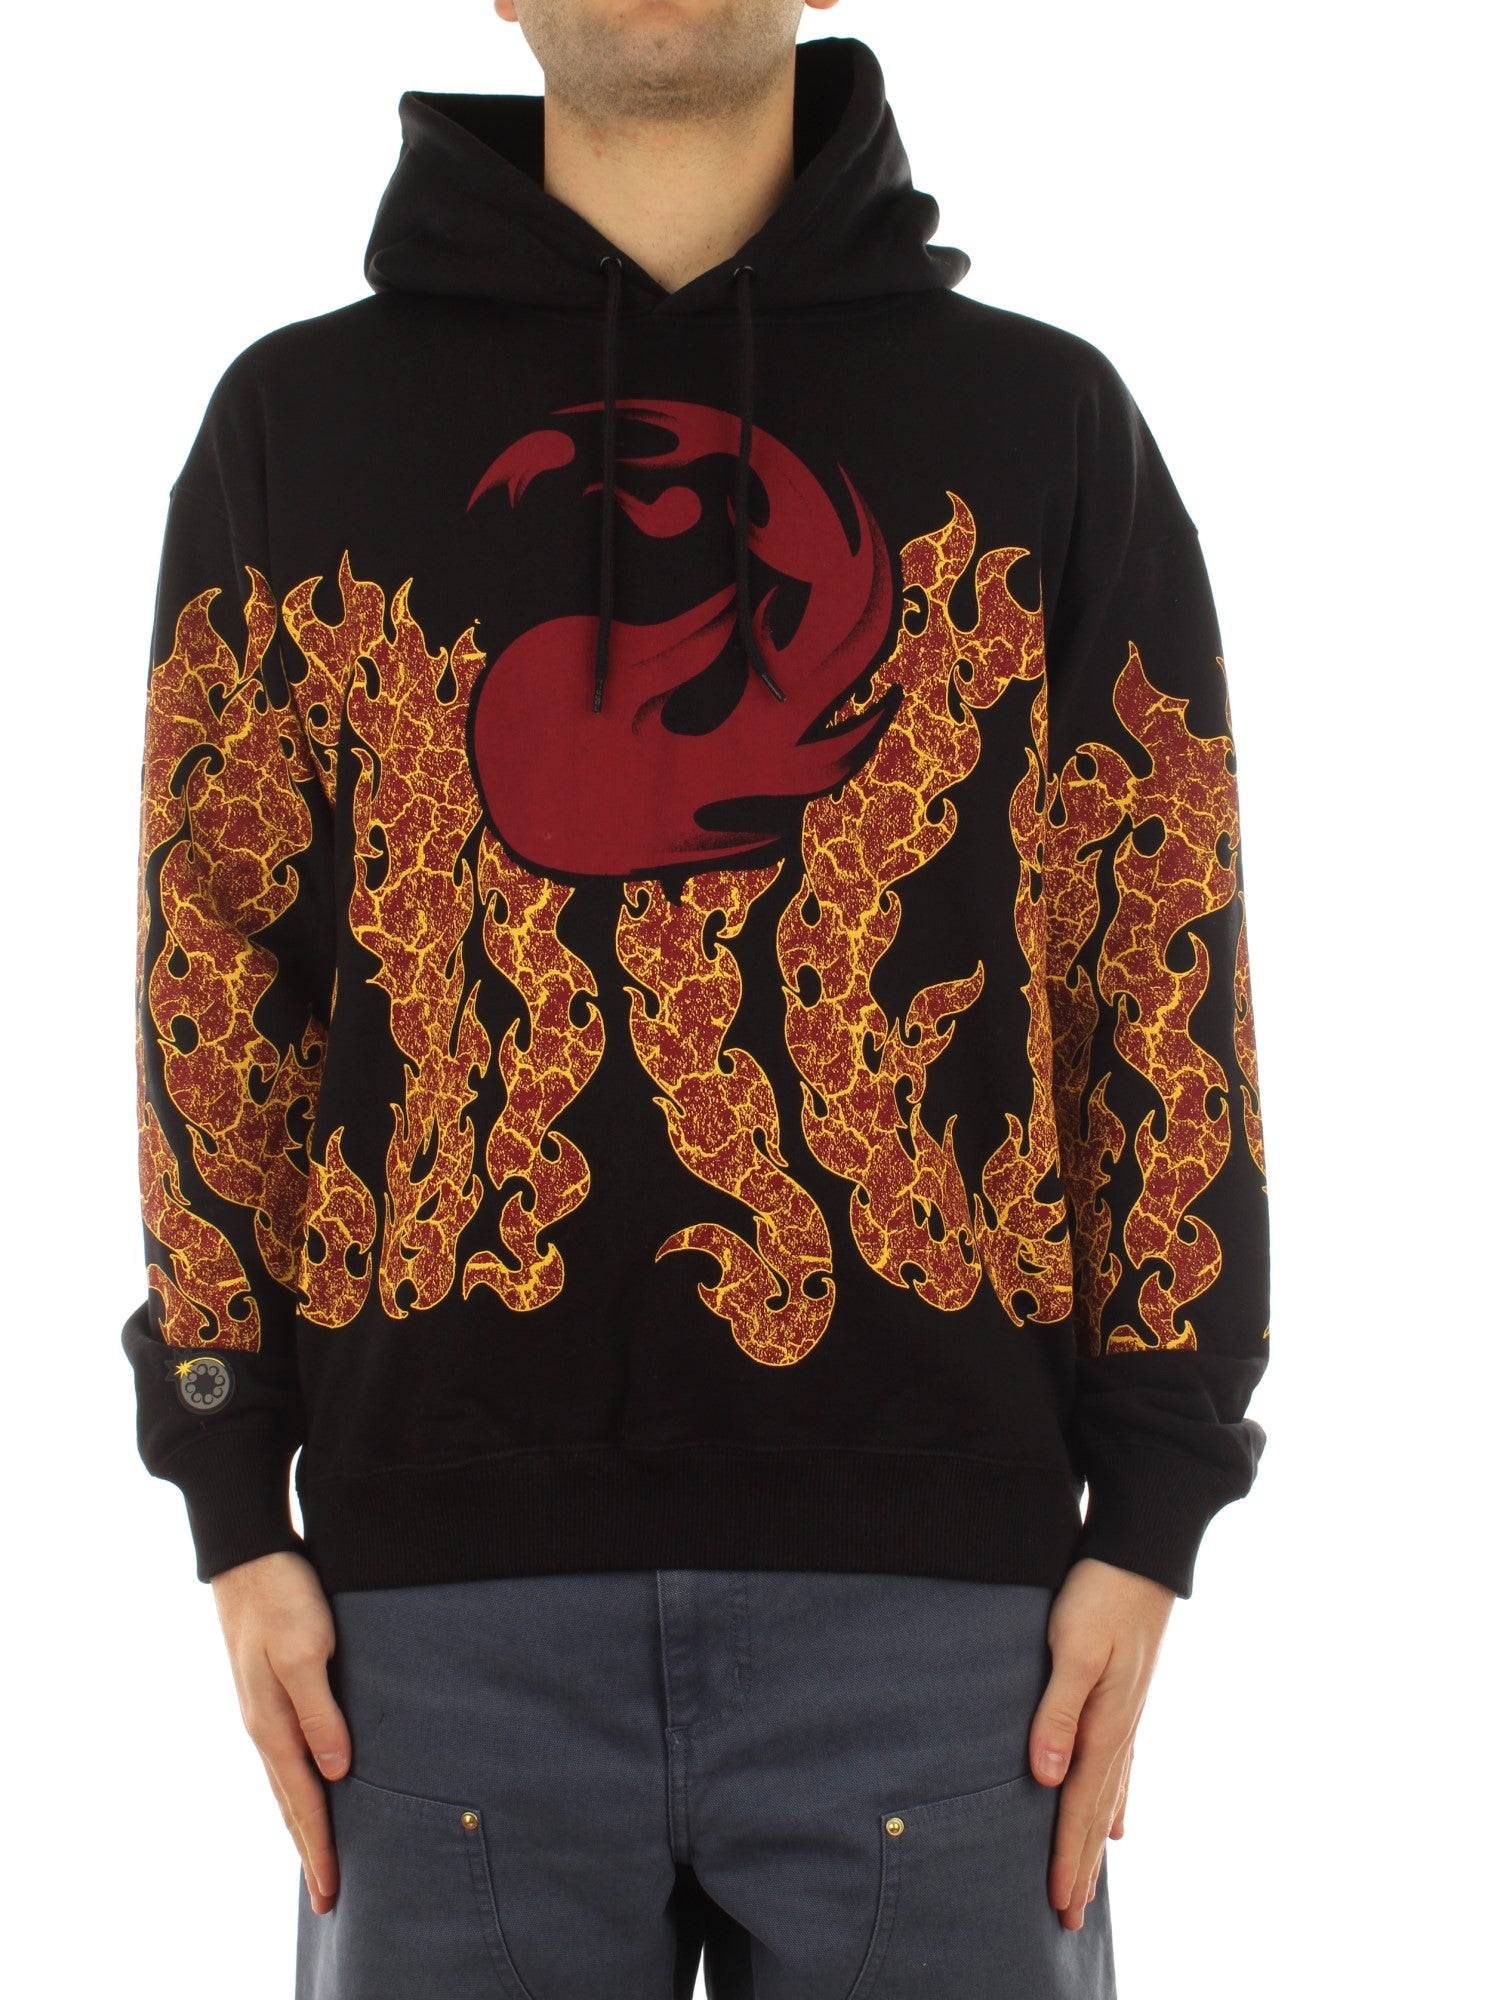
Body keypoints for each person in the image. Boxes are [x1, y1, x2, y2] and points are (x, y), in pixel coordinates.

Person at [122, 2, 1272, 1993]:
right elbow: (214, 975)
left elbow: (1158, 960)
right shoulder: (295, 427)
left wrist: (1153, 1506)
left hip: (951, 1619)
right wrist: (231, 1491)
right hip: (434, 1628)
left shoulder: (1046, 423)